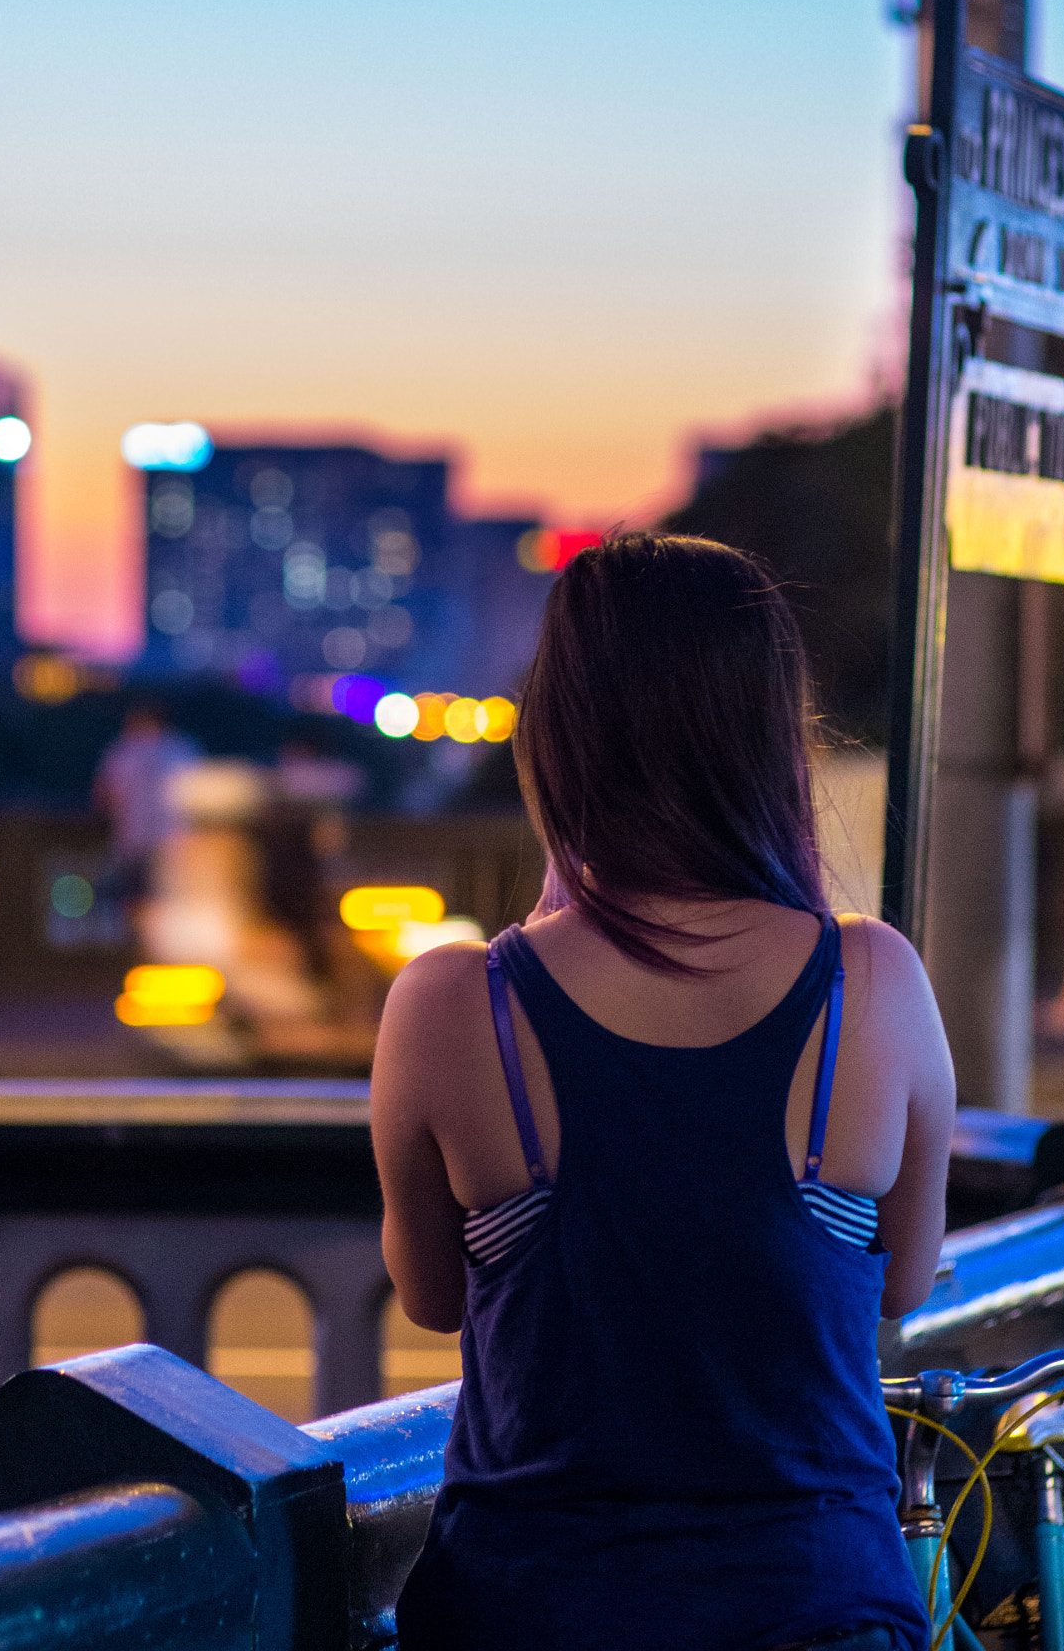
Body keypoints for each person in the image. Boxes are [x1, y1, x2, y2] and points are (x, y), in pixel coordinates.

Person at [372, 533, 953, 1651]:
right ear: (771, 736)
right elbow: (903, 1277)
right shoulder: (869, 981)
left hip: (529, 1609)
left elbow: (434, 1294)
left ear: (561, 735)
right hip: (815, 1605)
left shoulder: (456, 1001)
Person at [93, 703, 199, 909]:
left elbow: (103, 796)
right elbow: (198, 800)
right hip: (175, 843)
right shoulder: (183, 748)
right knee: (172, 904)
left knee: (136, 904)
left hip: (135, 841)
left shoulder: (123, 750)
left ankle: (137, 940)